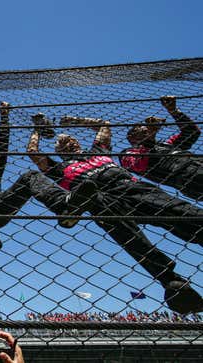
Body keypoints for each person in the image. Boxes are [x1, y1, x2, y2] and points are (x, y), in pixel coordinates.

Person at [27, 115, 203, 314]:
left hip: (130, 187)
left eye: (72, 140)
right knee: (127, 234)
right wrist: (37, 130)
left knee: (179, 212)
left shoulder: (97, 151)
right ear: (58, 152)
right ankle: (169, 279)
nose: (69, 144)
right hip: (103, 199)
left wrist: (76, 120)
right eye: (63, 144)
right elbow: (32, 152)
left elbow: (104, 125)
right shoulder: (59, 168)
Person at [0, 103, 95, 253]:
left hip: (0, 205)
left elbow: (1, 147)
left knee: (30, 176)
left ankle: (64, 206)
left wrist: (4, 117)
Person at [120, 95, 201, 200]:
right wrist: (150, 139)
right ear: (131, 138)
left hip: (197, 162)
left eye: (145, 126)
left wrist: (173, 111)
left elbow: (192, 132)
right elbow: (140, 164)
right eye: (138, 128)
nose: (144, 127)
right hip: (187, 176)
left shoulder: (167, 144)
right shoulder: (127, 153)